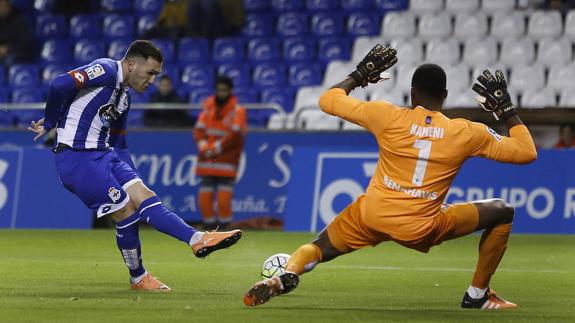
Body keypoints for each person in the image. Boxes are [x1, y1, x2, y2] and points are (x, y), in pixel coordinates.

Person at [243, 44, 537, 309]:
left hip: (373, 214)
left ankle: (287, 274)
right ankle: (478, 294)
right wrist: (505, 110)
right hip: (420, 225)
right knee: (502, 211)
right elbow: (526, 152)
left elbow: (328, 101)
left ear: (412, 93)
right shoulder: (465, 132)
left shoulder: (387, 115)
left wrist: (360, 75)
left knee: (320, 247)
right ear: (444, 96)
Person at [27, 40, 242, 292]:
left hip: (105, 154)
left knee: (144, 195)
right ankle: (138, 277)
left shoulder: (123, 99)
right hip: (77, 158)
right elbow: (60, 84)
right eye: (150, 72)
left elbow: (119, 143)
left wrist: (133, 179)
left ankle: (198, 239)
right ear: (130, 64)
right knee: (126, 211)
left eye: (156, 75)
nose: (152, 80)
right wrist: (51, 121)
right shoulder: (106, 70)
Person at [193, 76, 246, 230]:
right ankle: (209, 227)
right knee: (205, 195)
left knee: (224, 198)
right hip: (207, 158)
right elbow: (199, 130)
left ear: (230, 91)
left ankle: (225, 228)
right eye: (219, 90)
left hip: (226, 159)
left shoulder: (238, 111)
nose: (221, 93)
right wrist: (202, 144)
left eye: (224, 90)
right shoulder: (208, 107)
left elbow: (235, 134)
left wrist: (217, 147)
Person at [0, 0, 35, 65]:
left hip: (14, 54)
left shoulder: (19, 21)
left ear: (9, 7)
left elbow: (25, 43)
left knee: (11, 60)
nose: (2, 9)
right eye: (0, 7)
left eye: (5, 6)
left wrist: (7, 49)